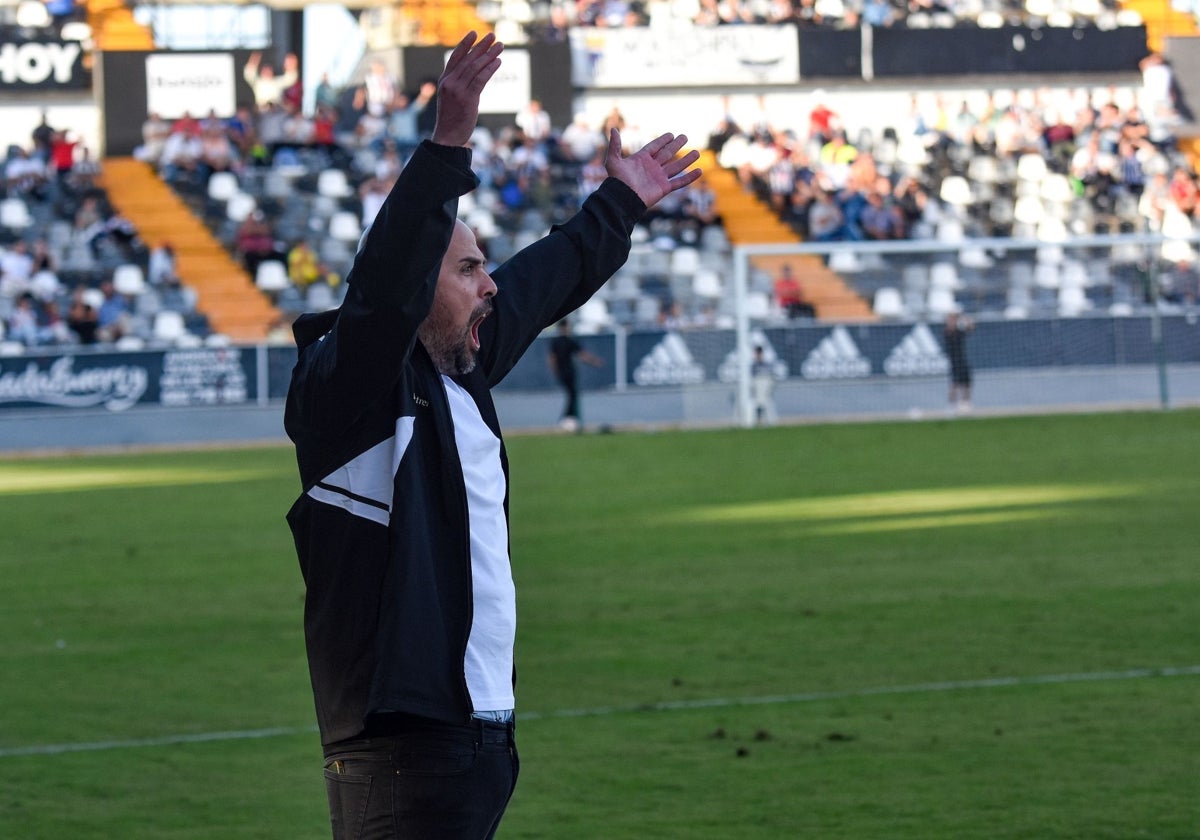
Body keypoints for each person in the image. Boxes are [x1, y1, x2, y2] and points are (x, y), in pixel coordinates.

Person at [283, 31, 700, 840]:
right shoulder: (351, 391)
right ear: (415, 289)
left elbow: (544, 281)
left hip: (479, 733)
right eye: (469, 268)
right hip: (401, 745)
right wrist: (448, 141)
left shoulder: (457, 372)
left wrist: (619, 205)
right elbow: (382, 292)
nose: (490, 283)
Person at [547, 319, 604, 432]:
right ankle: (568, 418)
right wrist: (595, 361)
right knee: (572, 395)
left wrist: (555, 371)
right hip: (569, 372)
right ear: (566, 327)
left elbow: (551, 359)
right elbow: (582, 356)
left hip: (562, 372)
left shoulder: (555, 341)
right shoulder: (569, 341)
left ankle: (569, 418)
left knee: (571, 395)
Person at [943, 312, 974, 413]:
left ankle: (966, 404)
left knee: (967, 383)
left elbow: (971, 328)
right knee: (954, 384)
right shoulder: (947, 332)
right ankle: (951, 406)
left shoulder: (959, 331)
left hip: (962, 359)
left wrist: (964, 318)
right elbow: (949, 330)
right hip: (954, 361)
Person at [750, 345, 778, 426]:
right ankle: (754, 421)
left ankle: (770, 421)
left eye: (759, 353)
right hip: (755, 393)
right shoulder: (753, 366)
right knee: (754, 404)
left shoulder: (767, 365)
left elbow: (772, 380)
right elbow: (751, 382)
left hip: (765, 393)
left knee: (767, 403)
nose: (757, 355)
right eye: (756, 353)